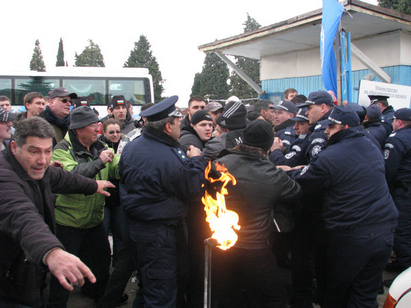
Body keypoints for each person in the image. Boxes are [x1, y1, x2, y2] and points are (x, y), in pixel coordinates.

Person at [0, 117, 114, 307]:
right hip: (9, 277)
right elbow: (23, 217)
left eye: (47, 151)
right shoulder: (5, 178)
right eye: (33, 151)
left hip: (26, 270)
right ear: (14, 147)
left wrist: (92, 185)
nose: (42, 160)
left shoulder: (35, 168)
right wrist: (52, 252)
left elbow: (62, 178)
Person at [292, 106, 398, 308]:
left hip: (352, 237)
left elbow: (305, 180)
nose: (326, 131)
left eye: (331, 126)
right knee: (365, 295)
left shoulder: (332, 156)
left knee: (335, 295)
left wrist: (288, 172)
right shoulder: (371, 145)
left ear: (345, 127)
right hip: (383, 232)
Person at [119, 96, 208, 307]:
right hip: (159, 235)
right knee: (161, 293)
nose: (180, 125)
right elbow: (193, 190)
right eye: (178, 122)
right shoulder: (168, 157)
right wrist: (197, 160)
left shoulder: (134, 146)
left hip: (138, 229)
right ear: (168, 126)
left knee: (147, 287)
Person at [209, 119, 302, 308]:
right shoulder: (272, 174)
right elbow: (296, 191)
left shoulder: (219, 164)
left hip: (221, 246)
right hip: (255, 249)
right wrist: (281, 168)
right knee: (275, 298)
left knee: (228, 296)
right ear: (268, 144)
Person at [48, 106, 120, 307]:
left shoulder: (100, 145)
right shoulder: (62, 150)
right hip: (68, 223)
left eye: (98, 124)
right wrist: (99, 162)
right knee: (64, 272)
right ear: (79, 130)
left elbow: (115, 165)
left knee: (101, 263)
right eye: (93, 125)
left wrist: (130, 165)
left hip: (94, 221)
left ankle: (97, 296)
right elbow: (70, 178)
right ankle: (57, 303)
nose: (98, 129)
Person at [383, 108, 411, 273]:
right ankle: (402, 263)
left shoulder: (396, 140)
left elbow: (389, 170)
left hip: (404, 192)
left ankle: (407, 274)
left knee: (401, 234)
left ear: (398, 122)